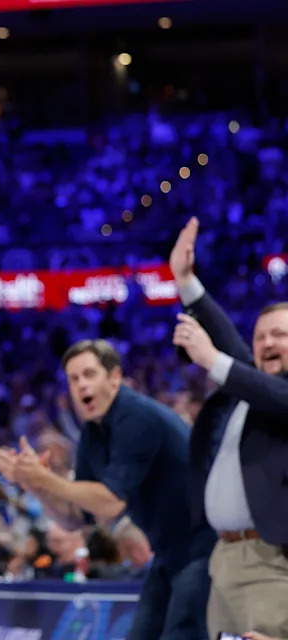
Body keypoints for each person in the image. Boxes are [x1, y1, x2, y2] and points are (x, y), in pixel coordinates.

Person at [0, 339, 215, 640]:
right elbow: (76, 518)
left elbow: (111, 502)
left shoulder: (136, 417)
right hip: (168, 553)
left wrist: (44, 478)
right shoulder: (93, 432)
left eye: (89, 374)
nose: (81, 385)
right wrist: (33, 483)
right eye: (74, 379)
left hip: (204, 547)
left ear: (114, 377)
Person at [169, 217, 288, 639]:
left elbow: (245, 374)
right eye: (260, 337)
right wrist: (186, 282)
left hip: (270, 561)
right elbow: (230, 347)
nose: (267, 343)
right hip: (224, 556)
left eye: (279, 335)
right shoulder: (254, 389)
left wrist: (210, 359)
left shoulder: (275, 394)